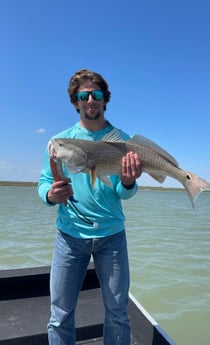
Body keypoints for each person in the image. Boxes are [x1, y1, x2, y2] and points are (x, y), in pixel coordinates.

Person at [38, 68, 142, 345]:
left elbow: (123, 192)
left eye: (96, 94)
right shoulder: (60, 142)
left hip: (112, 237)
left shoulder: (123, 141)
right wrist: (50, 195)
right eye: (83, 96)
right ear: (75, 102)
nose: (90, 100)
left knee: (118, 313)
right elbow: (44, 182)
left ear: (105, 99)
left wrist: (129, 182)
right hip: (69, 237)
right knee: (59, 315)